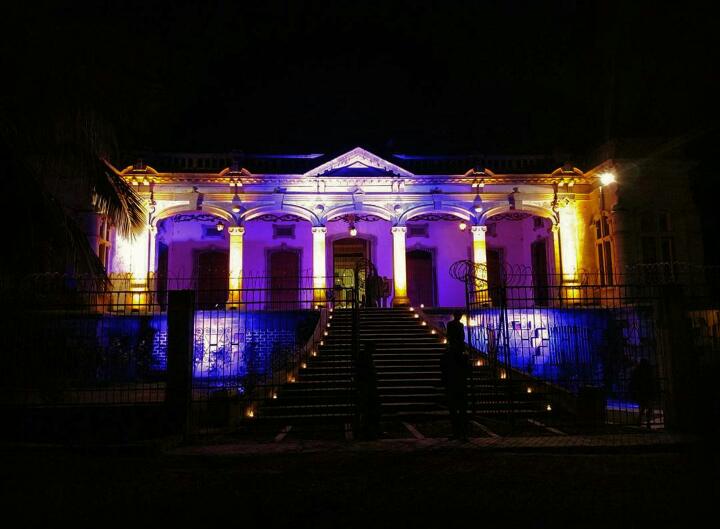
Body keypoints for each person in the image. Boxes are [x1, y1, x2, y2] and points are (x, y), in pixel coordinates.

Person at [442, 311, 469, 440]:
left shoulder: (450, 356)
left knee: (456, 409)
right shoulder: (461, 356)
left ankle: (459, 432)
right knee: (458, 409)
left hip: (454, 385)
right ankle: (460, 433)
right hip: (459, 385)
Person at [355, 341, 381, 440]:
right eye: (373, 348)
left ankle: (369, 429)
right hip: (367, 386)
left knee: (369, 408)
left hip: (368, 385)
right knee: (369, 408)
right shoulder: (365, 357)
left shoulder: (365, 356)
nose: (374, 350)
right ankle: (368, 430)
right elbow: (366, 371)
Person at [629, 358, 656, 429]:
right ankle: (646, 422)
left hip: (642, 391)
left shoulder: (638, 371)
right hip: (647, 391)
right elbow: (651, 380)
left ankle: (640, 421)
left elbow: (634, 380)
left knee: (643, 407)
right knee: (648, 407)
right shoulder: (648, 371)